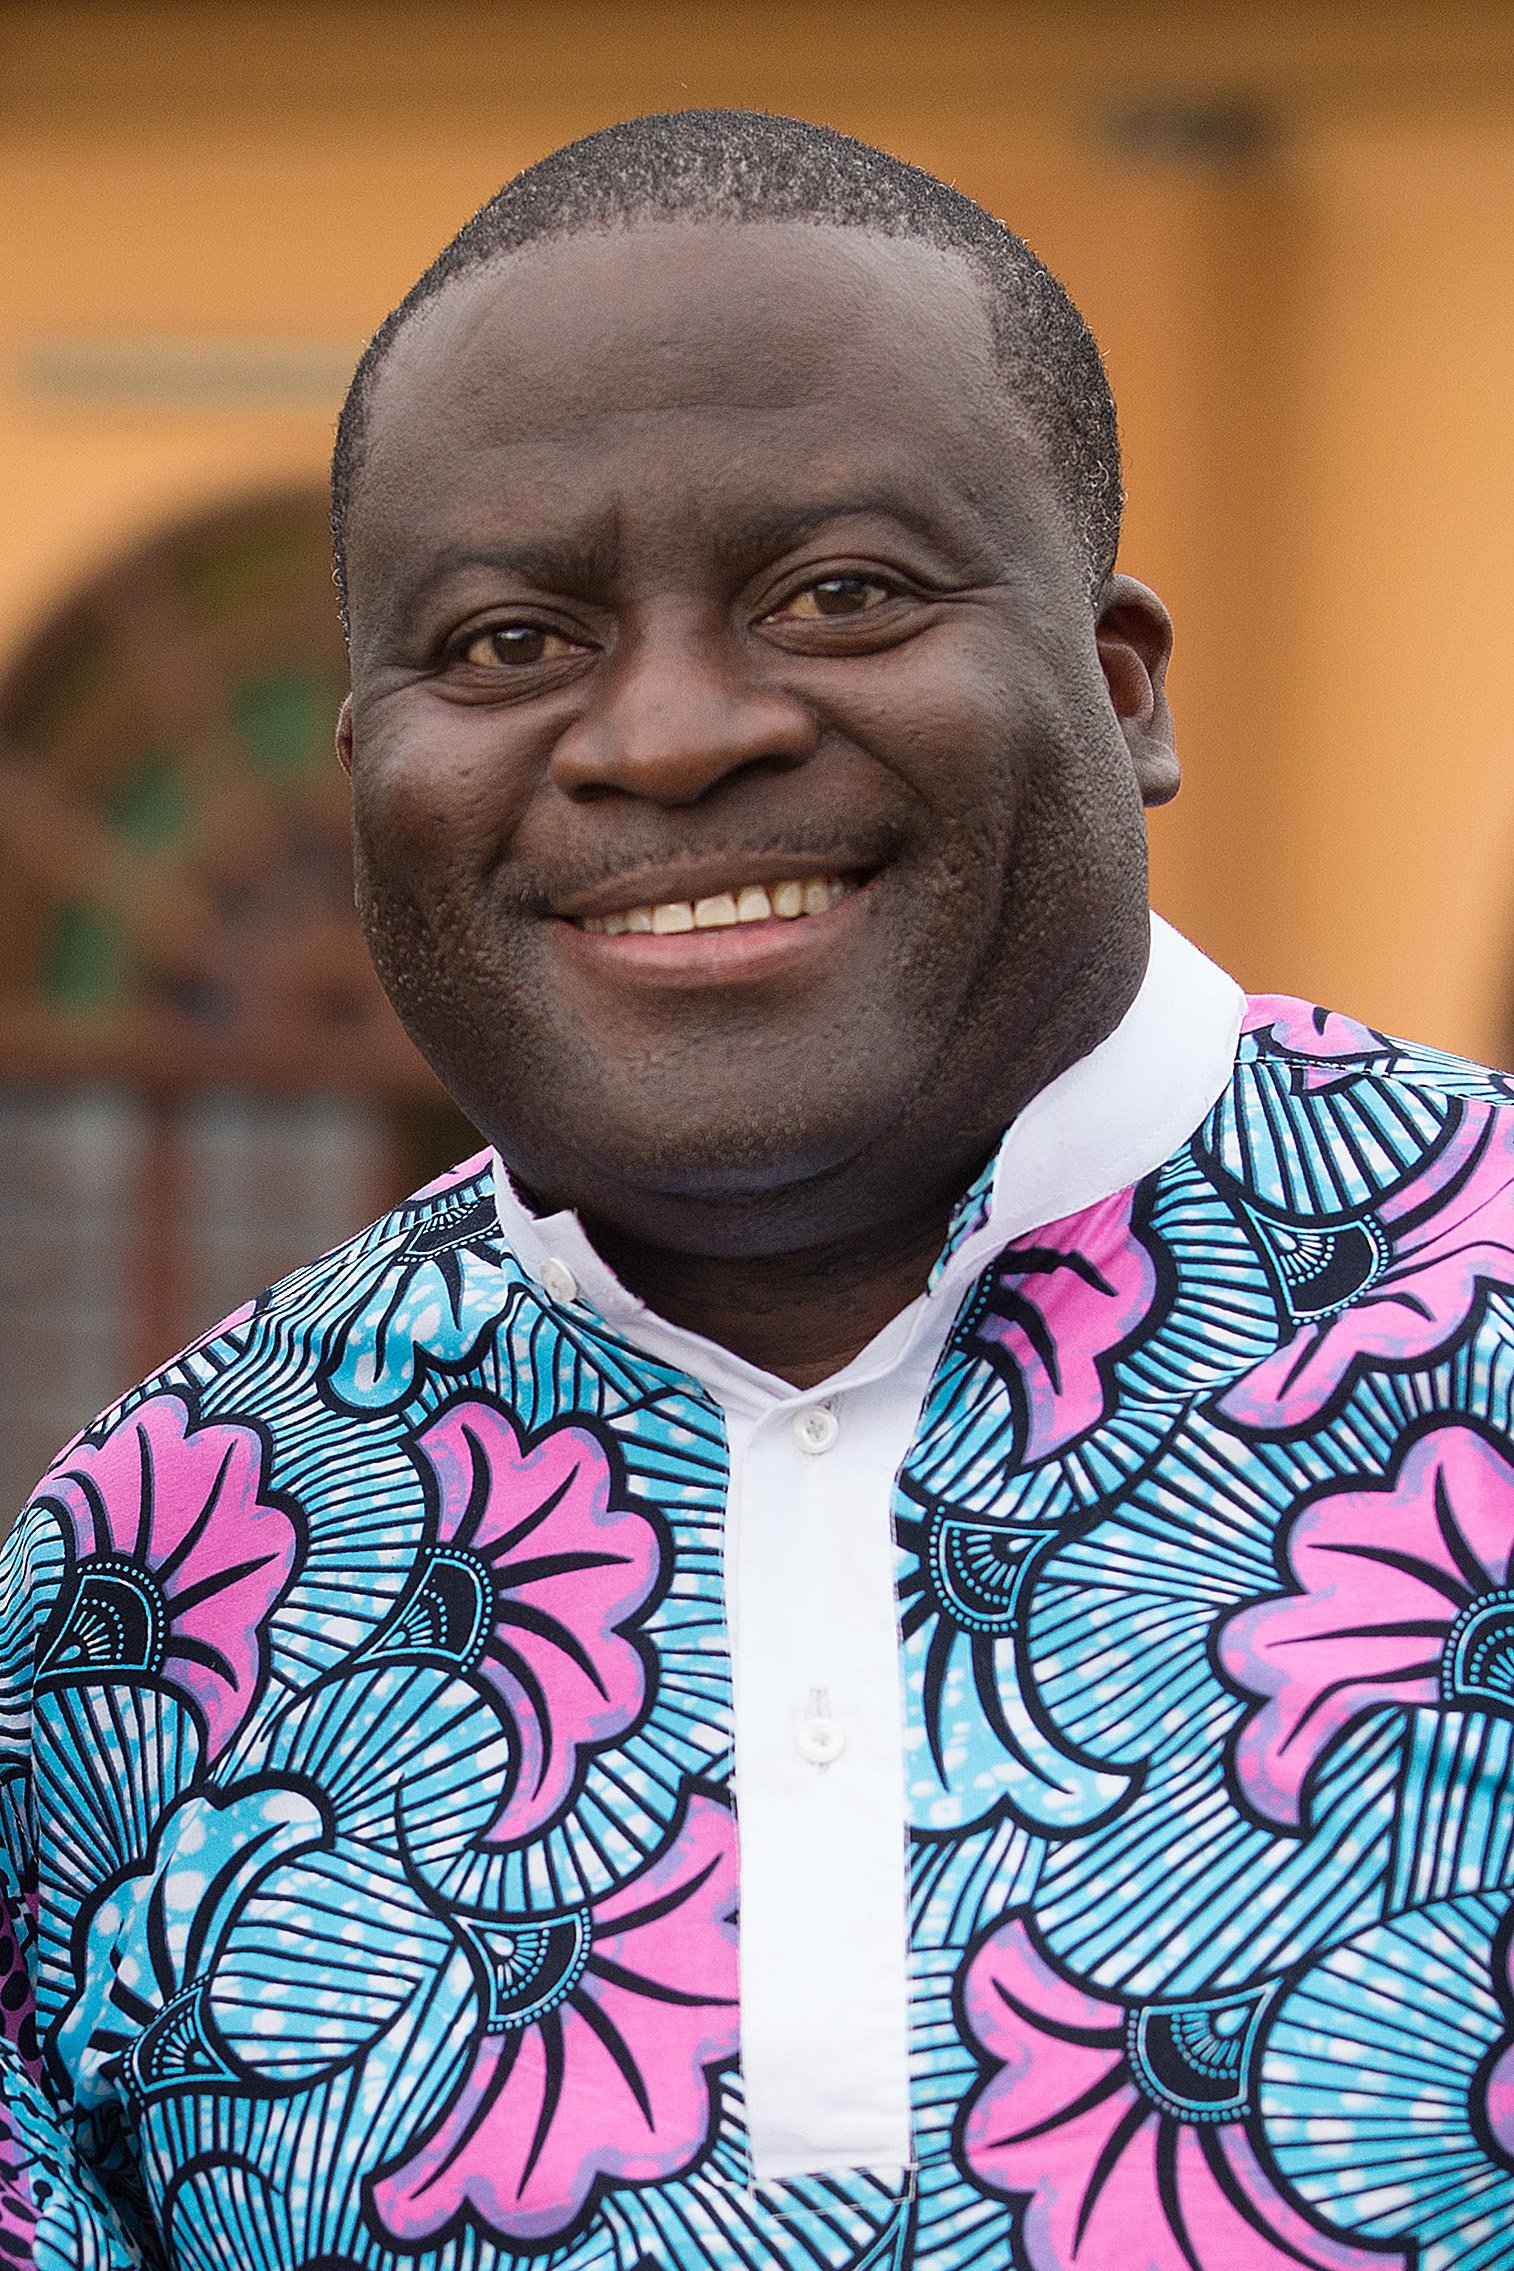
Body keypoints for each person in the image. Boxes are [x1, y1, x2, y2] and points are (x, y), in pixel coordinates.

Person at [0, 107, 1510, 2271]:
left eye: (840, 591)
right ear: (367, 778)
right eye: (510, 641)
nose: (673, 733)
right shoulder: (140, 1581)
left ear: (1120, 687)